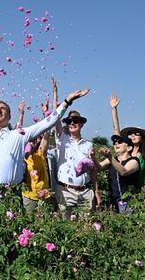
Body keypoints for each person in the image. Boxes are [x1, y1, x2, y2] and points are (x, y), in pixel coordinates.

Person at [51, 77, 100, 219]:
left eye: (76, 121)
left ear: (81, 124)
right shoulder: (61, 138)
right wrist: (55, 93)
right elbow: (55, 116)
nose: (72, 123)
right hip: (65, 190)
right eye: (70, 121)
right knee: (65, 227)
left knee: (86, 227)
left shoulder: (88, 144)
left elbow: (93, 170)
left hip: (85, 191)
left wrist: (96, 191)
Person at [109, 93, 145, 190]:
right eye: (131, 133)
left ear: (142, 139)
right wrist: (114, 109)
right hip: (121, 191)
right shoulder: (124, 151)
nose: (133, 135)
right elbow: (116, 129)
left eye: (137, 134)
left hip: (140, 195)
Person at [22, 101, 53, 212]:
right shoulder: (23, 155)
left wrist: (46, 114)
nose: (36, 140)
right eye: (33, 138)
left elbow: (47, 134)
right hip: (29, 197)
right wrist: (21, 115)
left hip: (44, 196)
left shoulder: (40, 153)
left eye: (38, 138)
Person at [97, 135, 140, 213]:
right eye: (114, 142)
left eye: (120, 142)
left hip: (129, 201)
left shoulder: (134, 161)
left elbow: (124, 172)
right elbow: (98, 168)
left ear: (129, 148)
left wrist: (110, 157)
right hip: (112, 200)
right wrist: (92, 157)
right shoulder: (111, 160)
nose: (116, 144)